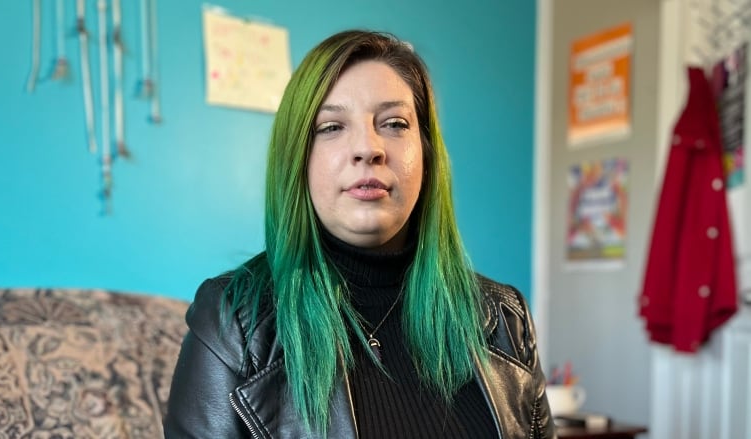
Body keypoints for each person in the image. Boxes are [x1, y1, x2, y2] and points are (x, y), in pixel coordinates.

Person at [164, 30, 555, 438]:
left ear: (427, 153)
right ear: (298, 157)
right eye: (332, 127)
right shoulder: (233, 323)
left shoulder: (506, 319)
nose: (368, 148)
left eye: (394, 123)